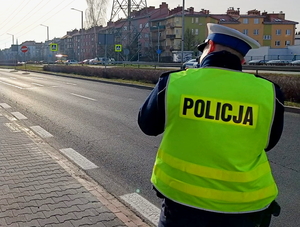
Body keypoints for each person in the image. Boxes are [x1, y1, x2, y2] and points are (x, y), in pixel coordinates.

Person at [138, 23, 284, 227]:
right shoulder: (269, 92)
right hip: (245, 207)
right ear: (242, 60)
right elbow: (269, 142)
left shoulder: (175, 83)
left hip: (182, 204)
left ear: (211, 46)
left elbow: (147, 125)